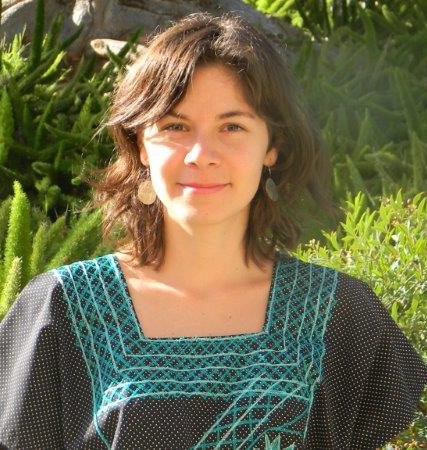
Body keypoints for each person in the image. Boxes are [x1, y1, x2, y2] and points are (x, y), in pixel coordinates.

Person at [0, 12, 426, 450]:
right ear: (141, 144)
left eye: (232, 126)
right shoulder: (62, 308)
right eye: (175, 126)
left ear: (272, 146)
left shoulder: (341, 313)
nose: (201, 154)